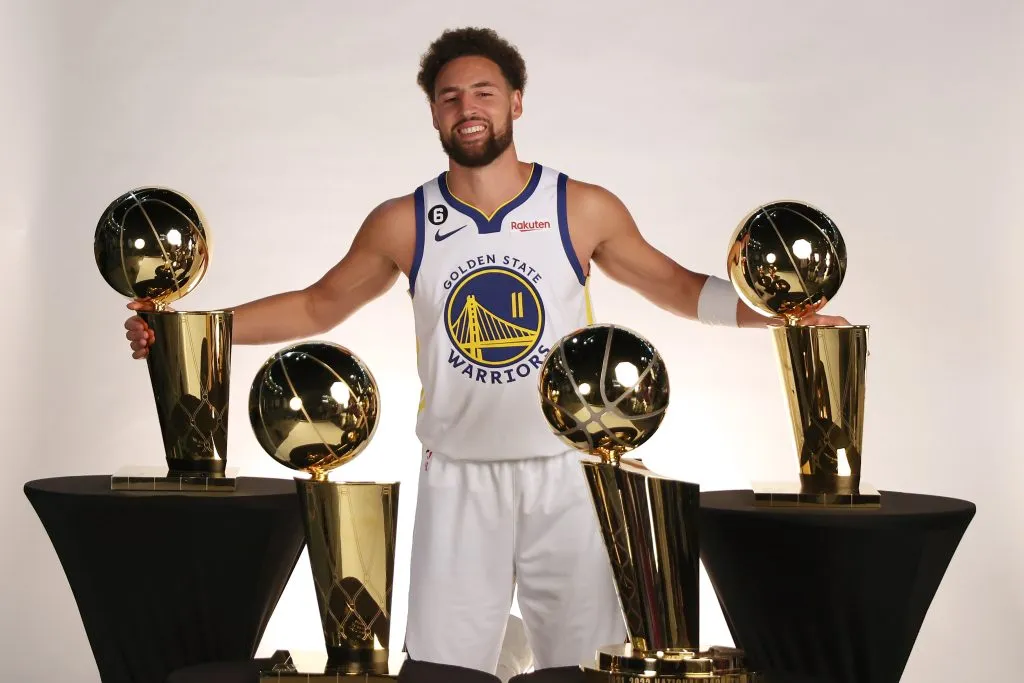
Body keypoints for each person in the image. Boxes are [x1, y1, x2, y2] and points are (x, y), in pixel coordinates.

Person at [124, 27, 848, 683]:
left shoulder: (579, 206)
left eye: (483, 92)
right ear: (434, 115)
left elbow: (675, 284)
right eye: (450, 97)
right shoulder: (405, 221)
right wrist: (193, 329)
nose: (467, 107)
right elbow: (319, 304)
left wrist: (779, 320)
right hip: (458, 477)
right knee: (445, 670)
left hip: (570, 476)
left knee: (583, 667)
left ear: (516, 103)